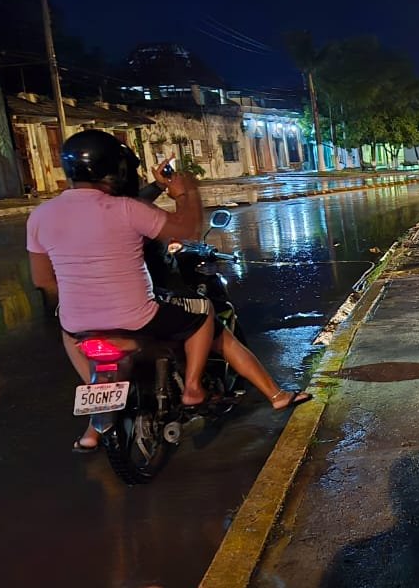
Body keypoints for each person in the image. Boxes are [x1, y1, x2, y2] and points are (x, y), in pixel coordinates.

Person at [27, 130, 311, 453]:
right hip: (139, 317)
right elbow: (187, 229)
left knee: (72, 333)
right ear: (116, 169)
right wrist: (185, 191)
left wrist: (79, 302)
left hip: (78, 323)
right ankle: (192, 388)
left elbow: (42, 280)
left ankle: (94, 424)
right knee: (203, 312)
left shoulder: (39, 216)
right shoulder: (126, 210)